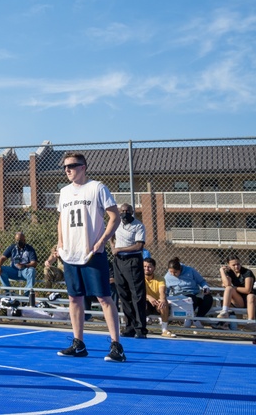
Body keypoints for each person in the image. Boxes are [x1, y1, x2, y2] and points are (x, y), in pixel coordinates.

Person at [55, 152, 126, 362]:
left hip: (92, 252)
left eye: (72, 166)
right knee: (74, 298)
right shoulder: (64, 192)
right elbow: (61, 219)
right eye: (65, 167)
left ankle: (116, 346)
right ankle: (79, 343)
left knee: (104, 297)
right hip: (70, 253)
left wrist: (102, 240)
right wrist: (60, 242)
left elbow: (115, 217)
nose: (67, 170)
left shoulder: (97, 188)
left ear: (83, 167)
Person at [111, 203, 148, 339]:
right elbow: (110, 234)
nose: (124, 213)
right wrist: (113, 246)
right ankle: (129, 327)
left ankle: (140, 328)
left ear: (132, 212)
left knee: (136, 295)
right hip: (118, 261)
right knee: (123, 294)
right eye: (122, 211)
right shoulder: (117, 223)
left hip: (132, 261)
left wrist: (120, 249)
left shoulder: (138, 226)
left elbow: (139, 245)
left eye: (127, 211)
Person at [164, 257, 213, 323]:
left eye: (175, 272)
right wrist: (164, 298)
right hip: (180, 296)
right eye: (171, 272)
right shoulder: (167, 277)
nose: (173, 274)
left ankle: (197, 319)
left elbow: (201, 281)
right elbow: (165, 290)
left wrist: (206, 288)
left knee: (208, 298)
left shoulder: (190, 270)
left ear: (180, 269)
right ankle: (188, 318)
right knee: (191, 298)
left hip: (195, 294)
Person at [216, 256, 255, 327]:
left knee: (250, 296)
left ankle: (250, 322)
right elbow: (227, 284)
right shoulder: (229, 272)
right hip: (238, 300)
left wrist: (234, 287)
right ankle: (224, 311)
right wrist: (222, 271)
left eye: (238, 264)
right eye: (233, 265)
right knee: (228, 288)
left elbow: (247, 290)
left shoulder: (247, 272)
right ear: (228, 265)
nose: (237, 266)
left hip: (250, 300)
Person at [143, 257, 176, 338]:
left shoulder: (160, 279)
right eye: (144, 266)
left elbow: (162, 291)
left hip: (157, 304)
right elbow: (138, 292)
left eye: (149, 266)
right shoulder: (138, 278)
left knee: (164, 303)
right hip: (145, 303)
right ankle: (141, 328)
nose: (147, 268)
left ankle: (164, 330)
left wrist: (162, 300)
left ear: (154, 268)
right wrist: (149, 297)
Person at [0, 231, 38, 297]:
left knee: (32, 270)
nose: (19, 242)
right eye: (17, 240)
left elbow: (34, 263)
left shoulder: (30, 249)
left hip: (24, 271)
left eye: (20, 240)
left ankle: (26, 294)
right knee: (1, 269)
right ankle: (9, 291)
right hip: (14, 271)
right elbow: (2, 258)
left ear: (24, 240)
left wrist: (24, 265)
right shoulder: (12, 248)